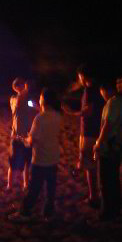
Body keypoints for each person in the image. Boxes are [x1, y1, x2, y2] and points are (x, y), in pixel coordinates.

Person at [9, 88, 61, 222]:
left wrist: (22, 138)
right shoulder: (58, 116)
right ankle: (49, 214)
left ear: (43, 100)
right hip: (53, 157)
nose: (39, 99)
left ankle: (25, 213)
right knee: (50, 189)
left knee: (34, 189)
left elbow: (31, 141)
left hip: (40, 159)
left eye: (41, 97)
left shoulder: (39, 118)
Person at [61, 65, 103, 207]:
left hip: (89, 132)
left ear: (83, 76)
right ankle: (102, 194)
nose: (78, 79)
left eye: (79, 76)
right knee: (98, 164)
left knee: (89, 165)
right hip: (98, 130)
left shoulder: (90, 90)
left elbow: (88, 112)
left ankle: (93, 197)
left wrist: (71, 113)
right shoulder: (97, 88)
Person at [93, 82, 122, 221]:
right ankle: (116, 209)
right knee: (114, 179)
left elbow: (107, 125)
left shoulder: (112, 103)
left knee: (105, 181)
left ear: (105, 89)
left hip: (109, 146)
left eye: (102, 91)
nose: (101, 94)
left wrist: (98, 143)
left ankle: (106, 213)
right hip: (119, 145)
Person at [7, 77, 36, 191]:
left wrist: (36, 106)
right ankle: (9, 185)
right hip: (17, 136)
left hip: (27, 136)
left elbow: (37, 108)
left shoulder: (28, 99)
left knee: (27, 162)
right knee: (13, 163)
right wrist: (25, 91)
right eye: (23, 86)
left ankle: (26, 184)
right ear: (17, 88)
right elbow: (18, 104)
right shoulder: (14, 99)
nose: (26, 88)